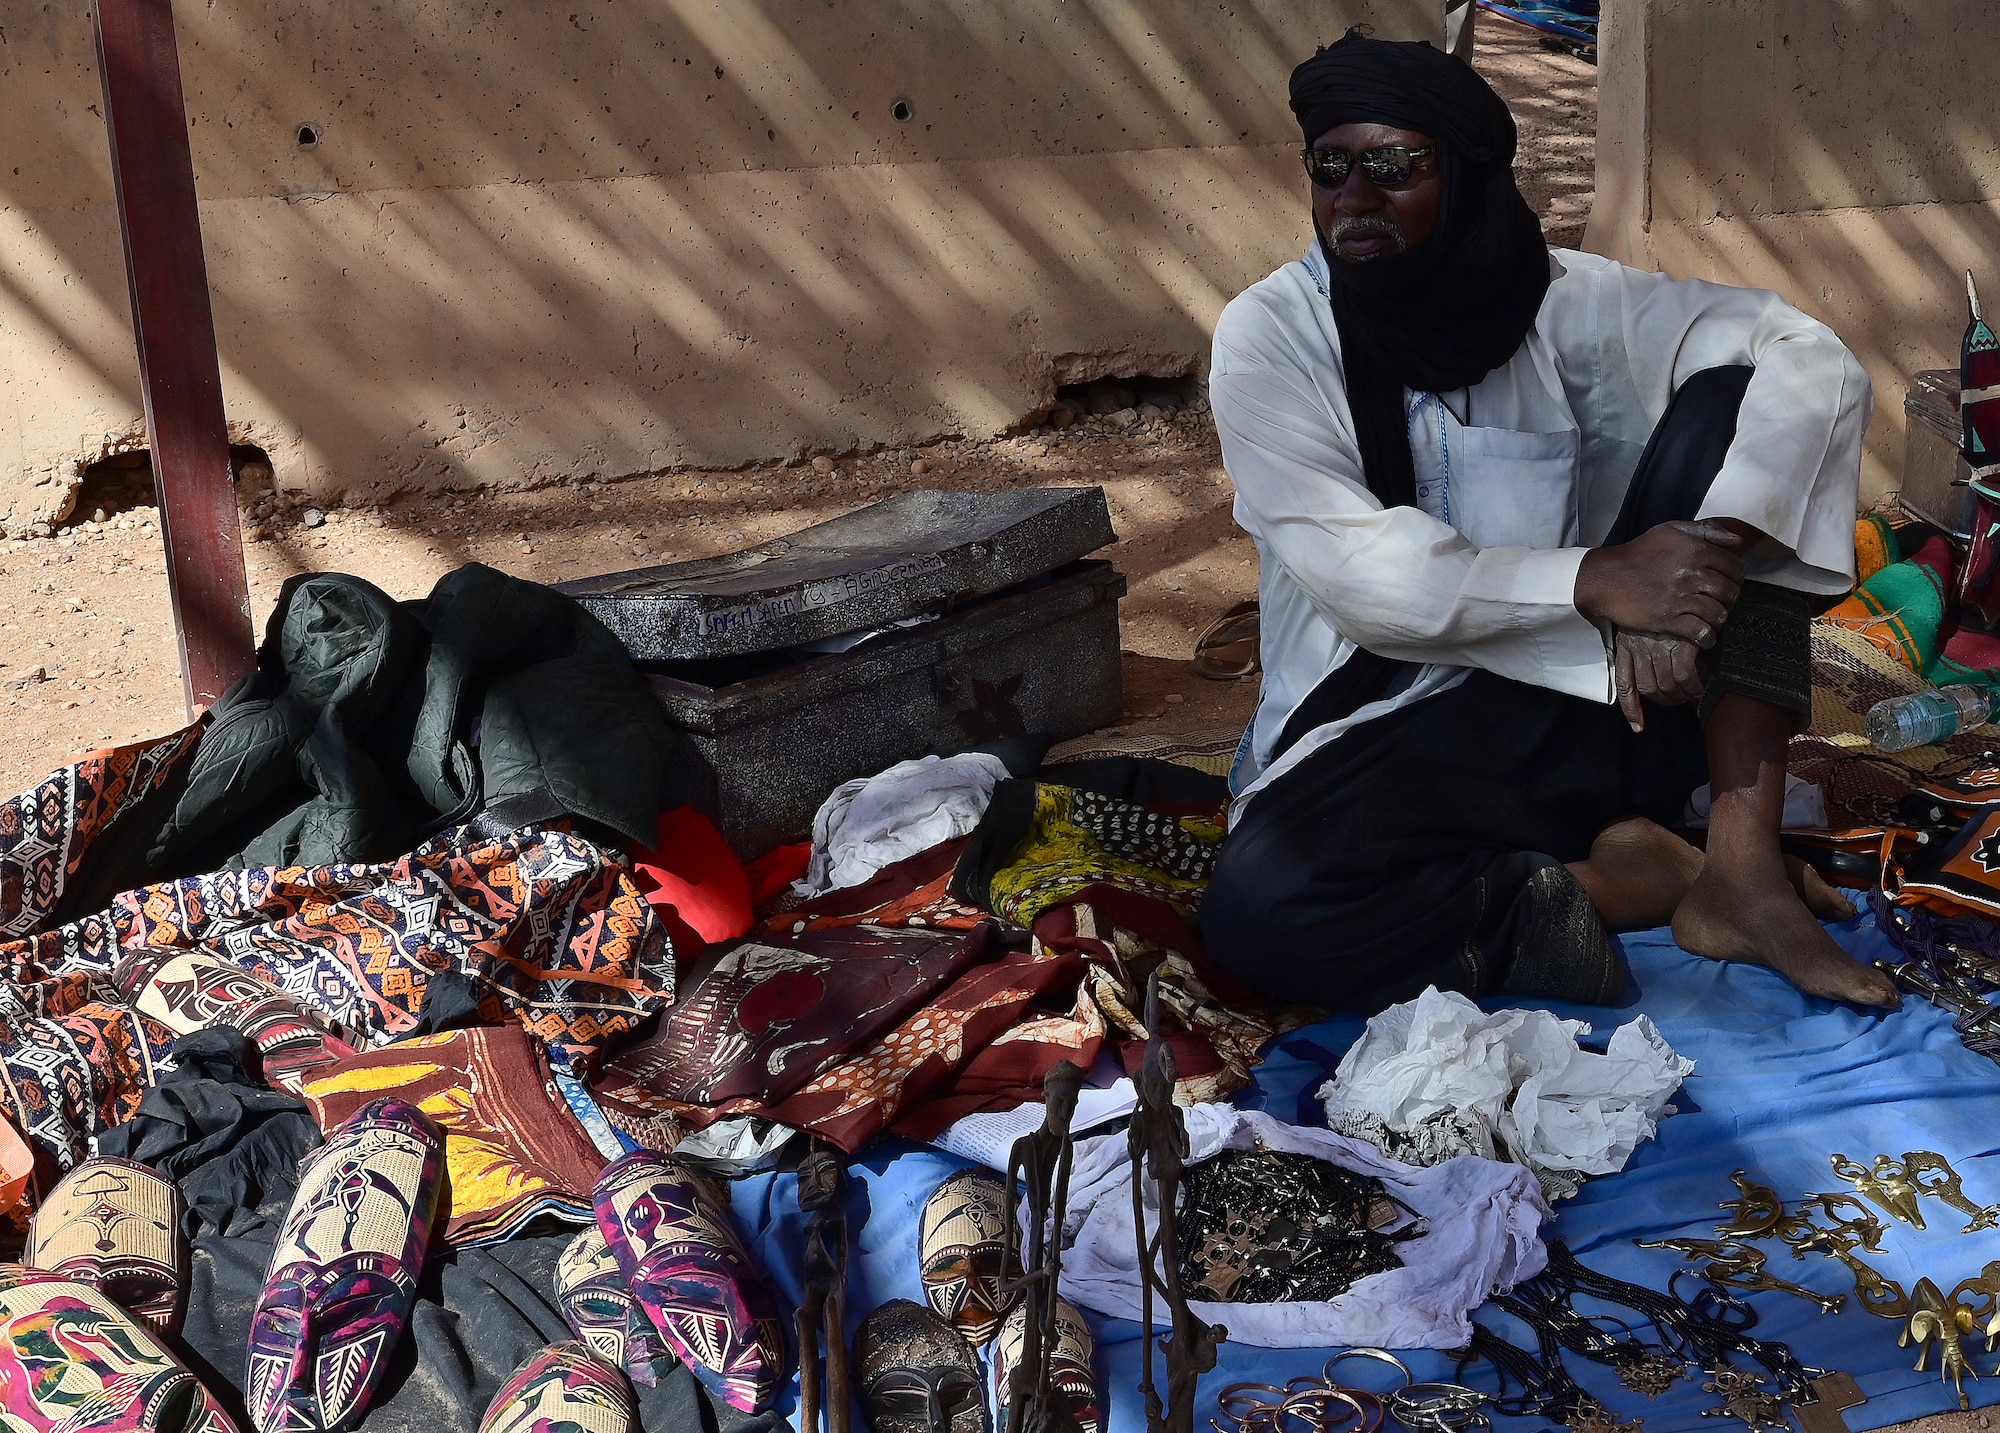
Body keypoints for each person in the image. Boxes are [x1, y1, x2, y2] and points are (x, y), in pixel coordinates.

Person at [1198, 29, 1899, 1015]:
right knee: (1258, 913)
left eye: (1392, 167)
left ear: (1466, 174)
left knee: (1744, 396)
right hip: (1392, 726)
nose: (1352, 198)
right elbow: (1357, 572)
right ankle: (1628, 878)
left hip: (1608, 701)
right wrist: (1596, 577)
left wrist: (1707, 554)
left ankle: (1739, 870)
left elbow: (1809, 354)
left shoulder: (1568, 304)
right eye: (1329, 167)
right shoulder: (1272, 335)